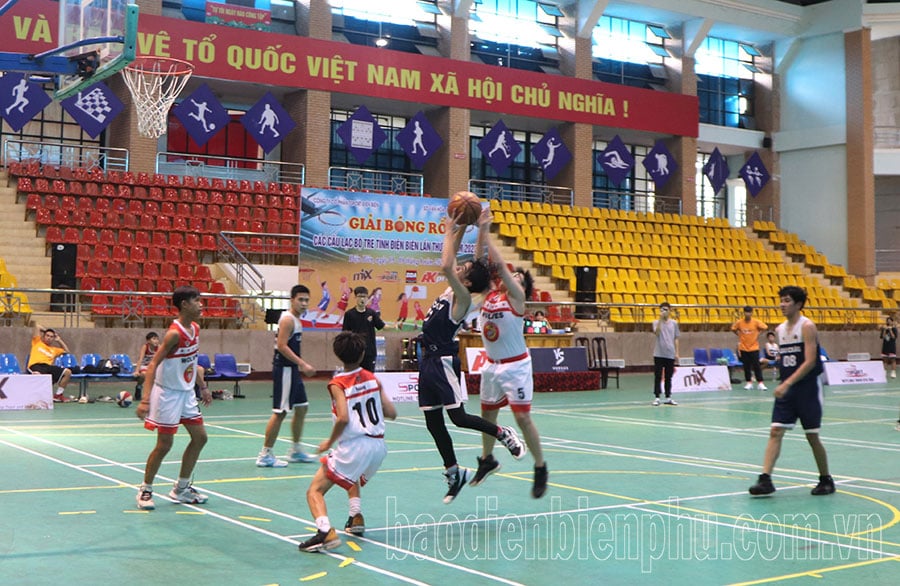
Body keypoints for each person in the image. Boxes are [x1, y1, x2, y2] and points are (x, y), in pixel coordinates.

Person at [418, 212, 525, 504]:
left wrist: (449, 229)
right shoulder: (454, 289)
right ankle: (455, 473)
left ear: (466, 281)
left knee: (459, 417)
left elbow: (445, 264)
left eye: (463, 268)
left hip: (442, 362)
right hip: (426, 361)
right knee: (433, 423)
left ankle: (502, 432)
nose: (460, 266)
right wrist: (465, 225)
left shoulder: (462, 300)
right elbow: (461, 262)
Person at [297, 332, 397, 552]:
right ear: (362, 354)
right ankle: (355, 517)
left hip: (355, 446)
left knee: (314, 491)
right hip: (378, 447)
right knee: (351, 475)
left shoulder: (338, 383)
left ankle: (325, 532)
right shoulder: (373, 378)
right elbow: (392, 412)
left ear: (337, 355)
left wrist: (328, 441)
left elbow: (343, 417)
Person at [470, 220, 548, 499]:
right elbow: (481, 264)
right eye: (513, 277)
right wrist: (480, 232)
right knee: (487, 415)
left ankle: (540, 467)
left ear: (524, 289)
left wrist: (487, 231)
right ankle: (487, 459)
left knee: (522, 418)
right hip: (491, 365)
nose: (514, 278)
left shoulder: (517, 300)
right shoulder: (490, 295)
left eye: (519, 279)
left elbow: (501, 267)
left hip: (516, 365)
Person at [749, 286, 835, 497]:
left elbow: (809, 361)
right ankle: (765, 479)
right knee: (775, 431)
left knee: (812, 436)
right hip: (788, 388)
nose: (782, 304)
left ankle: (826, 479)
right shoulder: (779, 330)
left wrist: (787, 384)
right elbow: (786, 359)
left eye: (786, 300)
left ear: (798, 304)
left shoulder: (807, 327)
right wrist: (769, 364)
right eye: (781, 300)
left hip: (807, 389)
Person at [135, 286, 212, 510]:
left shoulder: (196, 328)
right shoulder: (173, 334)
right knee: (164, 444)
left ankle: (182, 489)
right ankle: (146, 489)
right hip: (167, 393)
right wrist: (145, 400)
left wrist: (202, 386)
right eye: (196, 301)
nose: (200, 305)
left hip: (186, 393)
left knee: (200, 438)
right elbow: (152, 368)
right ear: (184, 305)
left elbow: (192, 362)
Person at [256, 284, 318, 467]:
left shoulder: (297, 320)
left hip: (293, 371)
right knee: (280, 412)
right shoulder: (288, 319)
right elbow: (282, 346)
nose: (304, 303)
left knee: (302, 407)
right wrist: (303, 364)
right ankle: (265, 454)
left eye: (307, 300)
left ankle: (296, 450)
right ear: (292, 300)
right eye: (300, 300)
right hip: (285, 370)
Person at [341, 286, 386, 373]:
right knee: (354, 377)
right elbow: (345, 333)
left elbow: (382, 326)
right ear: (355, 297)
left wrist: (395, 326)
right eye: (360, 296)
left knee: (369, 377)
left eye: (364, 296)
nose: (362, 299)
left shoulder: (371, 313)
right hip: (354, 352)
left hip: (369, 352)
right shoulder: (349, 314)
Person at [28, 323, 73, 403]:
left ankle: (58, 395)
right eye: (47, 336)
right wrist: (48, 331)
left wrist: (59, 340)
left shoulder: (54, 350)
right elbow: (37, 326)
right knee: (38, 375)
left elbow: (67, 351)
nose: (49, 338)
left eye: (51, 337)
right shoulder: (37, 342)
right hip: (35, 366)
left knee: (68, 372)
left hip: (48, 367)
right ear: (43, 336)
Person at [732, 306, 768, 390]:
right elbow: (733, 329)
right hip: (744, 348)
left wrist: (758, 334)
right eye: (746, 312)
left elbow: (765, 327)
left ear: (751, 313)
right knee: (746, 366)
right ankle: (749, 382)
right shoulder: (739, 322)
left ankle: (760, 383)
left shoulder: (756, 322)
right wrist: (739, 334)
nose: (747, 314)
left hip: (754, 348)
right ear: (744, 313)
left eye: (749, 312)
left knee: (756, 366)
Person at [651, 302, 679, 406]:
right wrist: (659, 320)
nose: (664, 311)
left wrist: (677, 353)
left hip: (670, 354)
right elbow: (657, 333)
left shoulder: (674, 323)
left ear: (670, 311)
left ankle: (668, 397)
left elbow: (676, 338)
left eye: (666, 309)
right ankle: (657, 397)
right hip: (658, 353)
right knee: (657, 376)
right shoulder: (655, 322)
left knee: (668, 376)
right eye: (662, 309)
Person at [134, 331, 160, 400]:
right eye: (154, 339)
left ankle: (156, 393)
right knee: (143, 375)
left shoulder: (159, 347)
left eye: (157, 339)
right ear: (148, 341)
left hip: (153, 366)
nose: (156, 341)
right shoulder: (145, 347)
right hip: (144, 366)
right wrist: (136, 371)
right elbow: (140, 359)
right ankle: (139, 387)